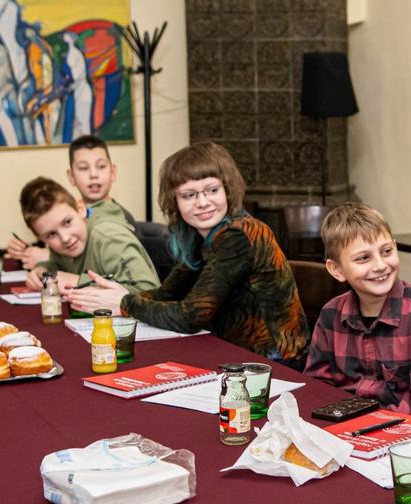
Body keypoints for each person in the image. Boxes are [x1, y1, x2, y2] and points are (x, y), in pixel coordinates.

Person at [67, 141, 310, 369]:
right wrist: (117, 297)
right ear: (175, 201)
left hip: (274, 365)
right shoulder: (196, 235)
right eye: (189, 195)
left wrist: (125, 303)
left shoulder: (240, 235)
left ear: (227, 190)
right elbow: (166, 294)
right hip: (230, 354)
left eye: (212, 190)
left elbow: (191, 316)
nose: (203, 202)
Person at [303, 203, 411, 419]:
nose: (380, 265)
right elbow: (316, 390)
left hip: (405, 438)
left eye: (386, 251)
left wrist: (360, 423)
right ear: (336, 270)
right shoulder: (331, 315)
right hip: (341, 432)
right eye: (363, 258)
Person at [8, 134, 135, 269]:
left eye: (101, 166)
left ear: (113, 172)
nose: (93, 175)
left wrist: (47, 256)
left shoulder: (117, 222)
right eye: (83, 168)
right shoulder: (67, 212)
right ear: (71, 176)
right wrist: (25, 251)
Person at [16, 176, 158, 293]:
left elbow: (148, 292)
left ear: (80, 208)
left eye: (67, 222)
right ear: (40, 237)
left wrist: (78, 282)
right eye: (51, 234)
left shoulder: (108, 237)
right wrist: (43, 269)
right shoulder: (67, 243)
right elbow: (58, 263)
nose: (65, 238)